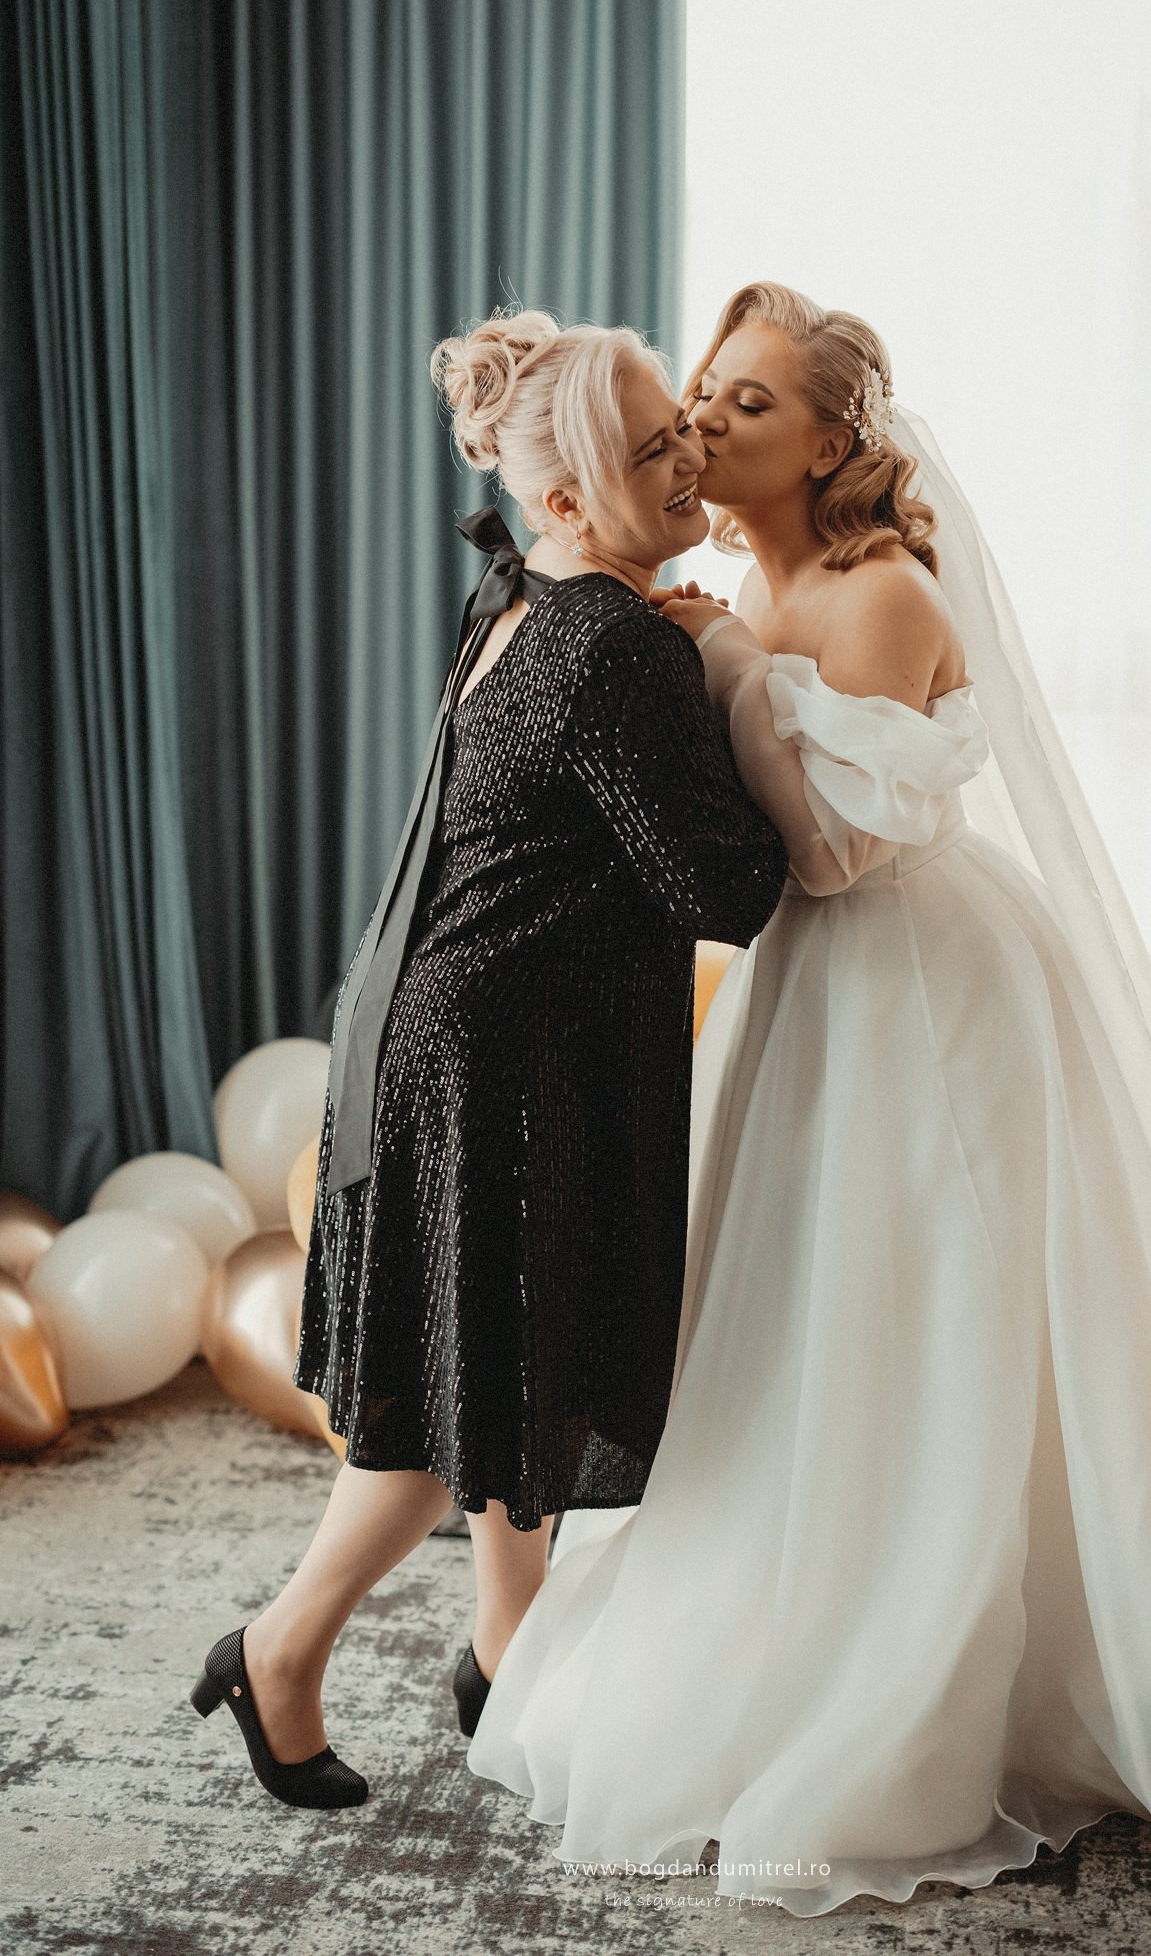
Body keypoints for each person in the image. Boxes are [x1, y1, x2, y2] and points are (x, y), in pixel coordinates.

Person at [465, 282, 1151, 1914]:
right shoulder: (740, 586)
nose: (704, 421)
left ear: (831, 443)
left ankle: (935, 1664)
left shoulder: (873, 592)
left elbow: (837, 849)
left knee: (930, 1316)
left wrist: (725, 657)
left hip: (921, 985)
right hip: (817, 989)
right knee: (808, 1322)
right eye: (704, 394)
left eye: (748, 401)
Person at [187, 307, 790, 1809]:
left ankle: (506, 1655)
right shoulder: (622, 649)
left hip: (444, 1037)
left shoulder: (521, 598)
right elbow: (726, 888)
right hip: (510, 1073)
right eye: (652, 452)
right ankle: (279, 1649)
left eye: (682, 429)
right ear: (570, 499)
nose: (690, 461)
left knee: (503, 1373)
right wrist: (755, 684)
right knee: (446, 1407)